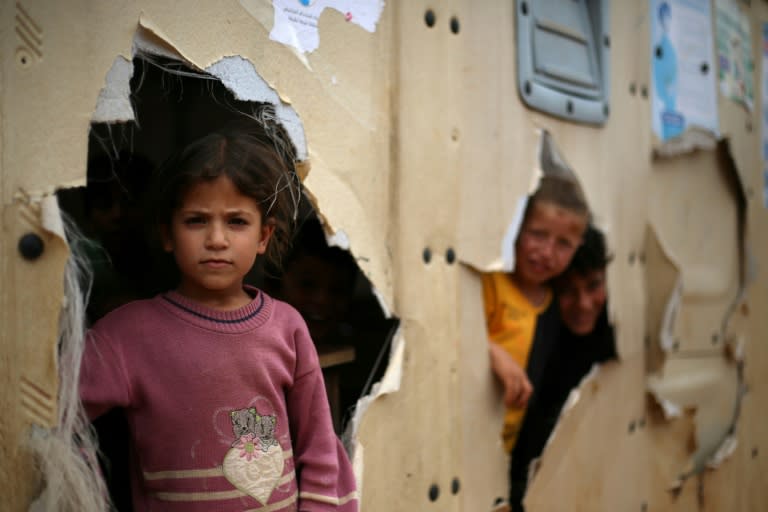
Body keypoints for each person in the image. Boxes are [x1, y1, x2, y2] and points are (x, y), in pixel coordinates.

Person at [79, 123, 359, 512]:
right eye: (196, 220)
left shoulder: (287, 327)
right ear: (167, 234)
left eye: (237, 221)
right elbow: (48, 420)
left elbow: (319, 446)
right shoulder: (127, 335)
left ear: (264, 236)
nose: (216, 239)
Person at [508, 225, 617, 511]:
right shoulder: (542, 344)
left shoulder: (617, 335)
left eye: (594, 286)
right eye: (569, 291)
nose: (583, 304)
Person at [483, 175, 590, 455]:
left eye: (563, 243)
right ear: (517, 227)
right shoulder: (491, 284)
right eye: (538, 234)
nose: (546, 252)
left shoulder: (552, 305)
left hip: (506, 445)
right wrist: (492, 352)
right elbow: (452, 336)